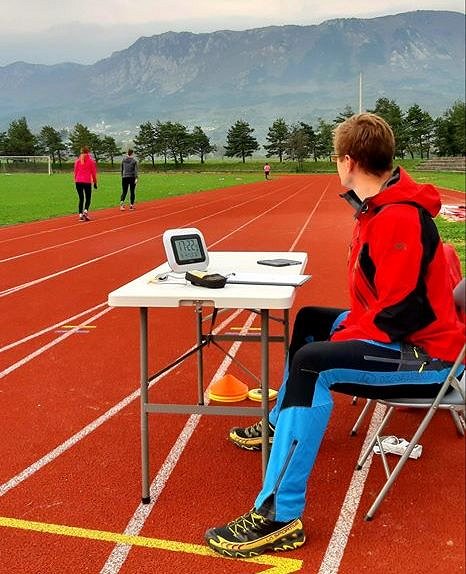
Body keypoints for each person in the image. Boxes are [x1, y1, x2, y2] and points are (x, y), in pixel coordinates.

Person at [205, 113, 465, 559]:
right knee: (309, 321)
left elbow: (404, 312)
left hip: (427, 357)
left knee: (313, 362)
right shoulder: (380, 207)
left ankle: (278, 517)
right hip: (404, 335)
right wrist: (350, 326)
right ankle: (277, 426)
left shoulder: (398, 217)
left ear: (348, 161)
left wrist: (353, 332)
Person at [74, 146, 97, 221]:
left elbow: (75, 172)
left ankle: (80, 214)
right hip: (87, 181)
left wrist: (76, 180)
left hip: (78, 181)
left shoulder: (77, 161)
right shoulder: (91, 161)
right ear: (88, 152)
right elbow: (93, 173)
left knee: (81, 198)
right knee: (88, 198)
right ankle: (85, 211)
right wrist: (95, 182)